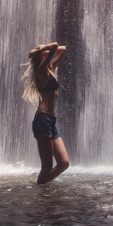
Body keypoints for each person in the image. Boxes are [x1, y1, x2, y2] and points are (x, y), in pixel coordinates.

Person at [21, 41, 69, 184]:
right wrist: (43, 48)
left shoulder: (50, 68)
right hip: (42, 120)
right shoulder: (40, 70)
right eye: (42, 51)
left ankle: (40, 187)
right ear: (40, 56)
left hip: (51, 121)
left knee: (64, 163)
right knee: (47, 167)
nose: (46, 52)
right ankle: (41, 192)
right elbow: (54, 46)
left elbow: (63, 49)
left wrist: (42, 49)